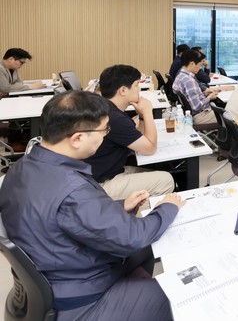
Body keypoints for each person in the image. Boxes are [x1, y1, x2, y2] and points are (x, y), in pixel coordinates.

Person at [0, 91, 185, 321]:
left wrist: (121, 206)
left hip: (56, 268)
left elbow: (62, 215)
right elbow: (132, 237)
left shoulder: (22, 167)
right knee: (177, 293)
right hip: (80, 295)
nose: (105, 135)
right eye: (104, 130)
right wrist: (167, 207)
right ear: (77, 138)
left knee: (145, 250)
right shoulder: (73, 190)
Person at [83, 65, 174, 201]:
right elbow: (150, 148)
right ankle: (129, 214)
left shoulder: (107, 108)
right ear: (123, 90)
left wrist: (141, 116)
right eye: (137, 85)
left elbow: (140, 140)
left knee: (160, 172)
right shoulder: (115, 118)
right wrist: (148, 112)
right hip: (100, 184)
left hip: (105, 173)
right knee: (167, 180)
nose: (139, 89)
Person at [172, 49, 221, 124]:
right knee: (230, 116)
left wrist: (205, 93)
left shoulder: (180, 76)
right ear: (192, 63)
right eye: (200, 65)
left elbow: (190, 98)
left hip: (191, 114)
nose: (200, 68)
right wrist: (209, 97)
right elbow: (196, 106)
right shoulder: (189, 81)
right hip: (199, 115)